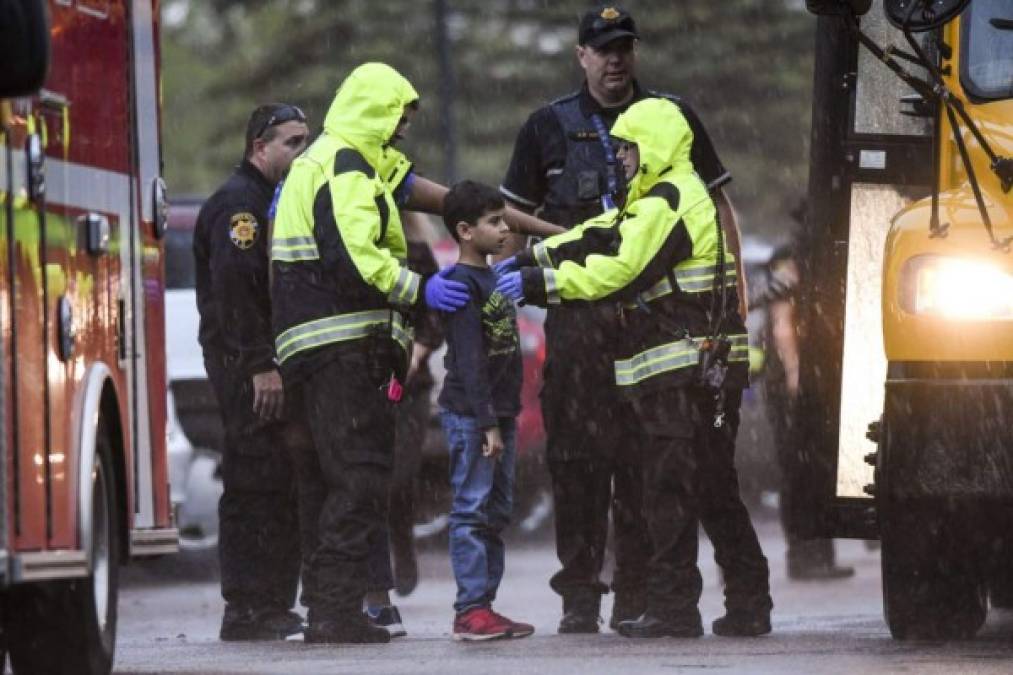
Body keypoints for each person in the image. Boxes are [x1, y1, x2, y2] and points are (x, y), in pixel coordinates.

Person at [497, 4, 746, 633]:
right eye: (603, 49)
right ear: (580, 55)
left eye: (625, 48)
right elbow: (511, 222)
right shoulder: (547, 127)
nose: (616, 60)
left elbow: (716, 212)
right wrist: (533, 262)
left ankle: (644, 594)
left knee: (653, 464)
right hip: (581, 330)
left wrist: (733, 305)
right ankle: (581, 595)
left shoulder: (670, 121)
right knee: (578, 463)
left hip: (649, 329)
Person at [270, 62, 470, 644]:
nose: (402, 134)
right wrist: (419, 288)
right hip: (342, 348)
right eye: (398, 121)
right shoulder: (347, 167)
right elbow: (356, 257)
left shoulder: (331, 159)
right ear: (376, 114)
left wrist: (474, 204)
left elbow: (407, 183)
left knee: (327, 481)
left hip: (314, 348)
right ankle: (335, 612)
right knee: (359, 476)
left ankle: (332, 607)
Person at [193, 103, 310, 641]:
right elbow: (237, 296)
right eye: (290, 142)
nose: (300, 152)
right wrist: (261, 365)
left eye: (305, 141)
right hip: (245, 366)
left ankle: (270, 604)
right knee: (253, 482)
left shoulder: (273, 200)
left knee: (278, 481)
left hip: (264, 361)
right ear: (258, 147)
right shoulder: (240, 207)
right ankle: (246, 607)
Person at [437, 181, 534, 641]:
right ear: (464, 231)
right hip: (475, 415)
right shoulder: (460, 286)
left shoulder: (494, 278)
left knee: (496, 511)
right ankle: (469, 609)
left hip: (501, 412)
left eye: (504, 219)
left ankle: (485, 608)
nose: (504, 228)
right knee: (472, 509)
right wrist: (487, 423)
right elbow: (470, 360)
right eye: (493, 222)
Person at [760, 218, 854, 581]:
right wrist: (796, 376)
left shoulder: (802, 257)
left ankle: (812, 554)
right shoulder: (795, 261)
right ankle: (806, 555)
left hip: (796, 382)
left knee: (805, 469)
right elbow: (783, 323)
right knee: (802, 470)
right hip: (791, 384)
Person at [388, 211, 446, 598]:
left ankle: (402, 541)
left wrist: (415, 357)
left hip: (410, 385)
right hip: (371, 383)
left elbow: (433, 319)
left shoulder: (417, 253)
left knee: (401, 475)